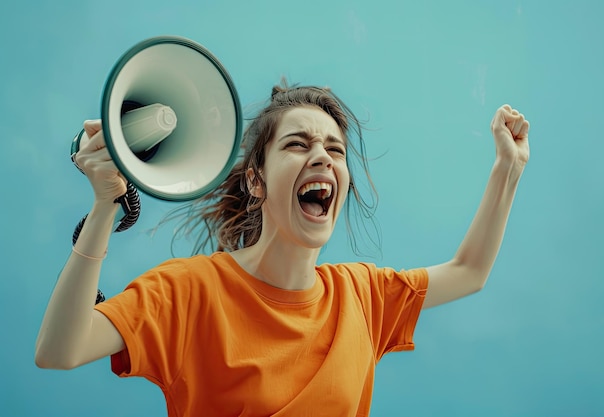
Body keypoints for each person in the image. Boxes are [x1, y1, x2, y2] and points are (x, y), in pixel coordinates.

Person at [35, 83, 530, 417]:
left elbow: (470, 271)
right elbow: (61, 350)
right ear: (256, 180)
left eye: (335, 150)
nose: (322, 155)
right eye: (297, 144)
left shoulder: (362, 295)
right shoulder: (190, 291)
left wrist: (507, 169)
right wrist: (105, 207)